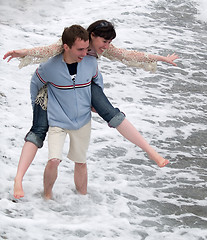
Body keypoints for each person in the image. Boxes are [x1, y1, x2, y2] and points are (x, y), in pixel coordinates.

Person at [4, 20, 178, 199]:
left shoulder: (98, 52)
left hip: (85, 82)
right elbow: (43, 53)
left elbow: (128, 56)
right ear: (92, 36)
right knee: (38, 130)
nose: (107, 46)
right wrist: (23, 54)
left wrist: (160, 58)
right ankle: (20, 180)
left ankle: (151, 152)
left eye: (109, 42)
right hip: (51, 89)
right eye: (104, 41)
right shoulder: (71, 44)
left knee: (111, 113)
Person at [31, 25, 104, 199]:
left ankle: (82, 198)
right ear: (66, 47)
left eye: (86, 49)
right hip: (58, 120)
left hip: (83, 120)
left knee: (81, 162)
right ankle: (47, 197)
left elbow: (98, 82)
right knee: (54, 160)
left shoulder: (91, 62)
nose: (84, 53)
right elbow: (35, 84)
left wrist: (96, 103)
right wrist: (38, 109)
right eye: (80, 50)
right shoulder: (49, 67)